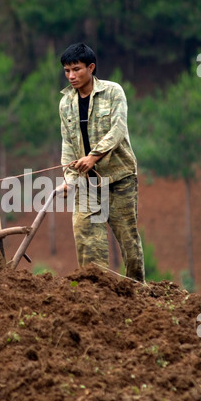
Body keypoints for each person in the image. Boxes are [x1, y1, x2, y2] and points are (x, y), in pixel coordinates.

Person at [58, 42, 145, 283]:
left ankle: (136, 291)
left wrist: (94, 156)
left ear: (91, 67)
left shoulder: (113, 92)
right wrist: (69, 178)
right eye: (67, 71)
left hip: (119, 178)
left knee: (128, 240)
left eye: (76, 69)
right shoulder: (65, 103)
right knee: (86, 237)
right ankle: (96, 293)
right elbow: (67, 144)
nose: (71, 76)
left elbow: (118, 130)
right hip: (86, 182)